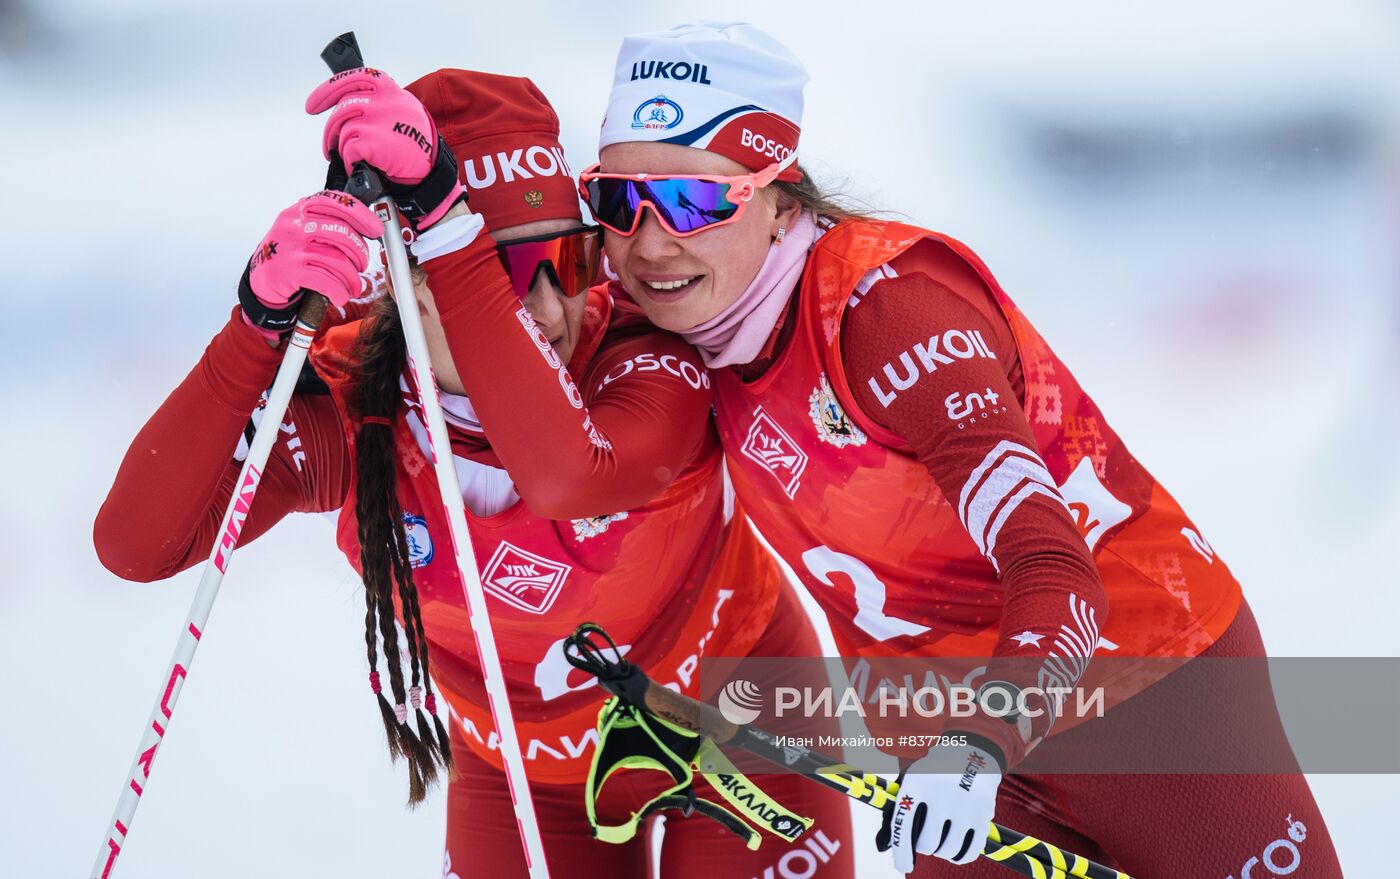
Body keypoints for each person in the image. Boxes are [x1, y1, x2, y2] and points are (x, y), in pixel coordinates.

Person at [583, 21, 1345, 878]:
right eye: (617, 200)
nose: (650, 241)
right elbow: (497, 305)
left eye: (692, 200)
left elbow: (1055, 570)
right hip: (948, 728)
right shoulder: (674, 316)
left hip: (1140, 681)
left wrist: (978, 747)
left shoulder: (889, 311)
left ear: (780, 199)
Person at [95, 67, 853, 878]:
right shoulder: (365, 409)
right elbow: (136, 546)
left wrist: (459, 234)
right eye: (505, 276)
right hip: (523, 767)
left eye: (566, 258)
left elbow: (571, 476)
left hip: (741, 715)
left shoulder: (637, 352)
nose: (557, 309)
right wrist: (253, 324)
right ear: (409, 283)